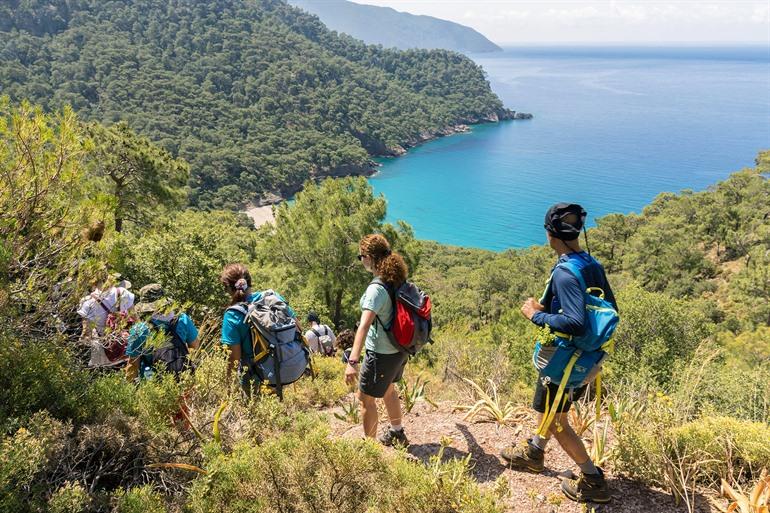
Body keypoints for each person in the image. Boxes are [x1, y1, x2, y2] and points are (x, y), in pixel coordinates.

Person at [501, 203, 617, 504]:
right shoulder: (591, 264)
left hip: (564, 362)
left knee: (557, 421)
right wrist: (551, 310)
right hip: (587, 359)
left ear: (551, 234)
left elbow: (576, 322)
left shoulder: (566, 272)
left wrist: (535, 315)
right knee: (554, 411)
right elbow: (608, 309)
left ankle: (593, 481)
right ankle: (535, 452)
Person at [345, 234, 409, 446]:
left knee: (365, 399)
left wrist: (352, 361)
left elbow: (363, 326)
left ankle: (370, 450)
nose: (360, 260)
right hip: (399, 350)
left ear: (370, 258)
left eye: (361, 256)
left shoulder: (376, 289)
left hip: (381, 353)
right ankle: (397, 432)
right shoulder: (395, 278)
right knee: (389, 388)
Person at [219, 263, 302, 394]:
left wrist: (228, 387)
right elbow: (298, 328)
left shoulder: (232, 315)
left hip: (256, 377)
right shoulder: (272, 297)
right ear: (250, 282)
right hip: (284, 366)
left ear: (228, 289)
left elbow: (234, 359)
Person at [125, 283, 199, 381]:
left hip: (153, 384)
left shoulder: (140, 330)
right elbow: (195, 346)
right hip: (183, 378)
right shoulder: (182, 319)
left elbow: (133, 365)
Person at [77, 273, 135, 367]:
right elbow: (137, 321)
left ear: (92, 283)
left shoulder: (87, 302)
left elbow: (87, 333)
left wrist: (79, 342)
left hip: (105, 354)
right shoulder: (122, 292)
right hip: (127, 348)